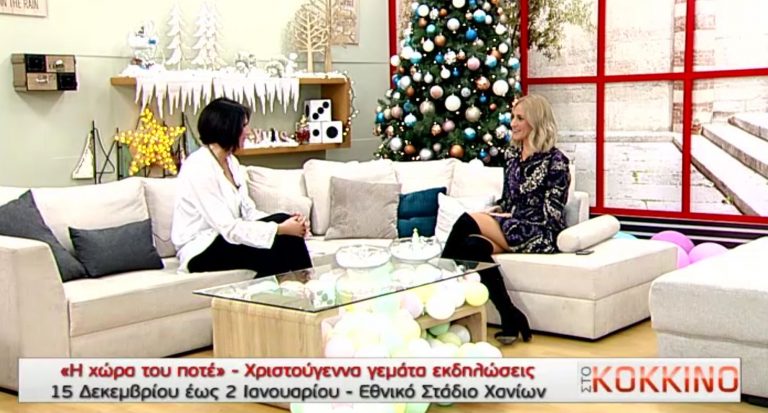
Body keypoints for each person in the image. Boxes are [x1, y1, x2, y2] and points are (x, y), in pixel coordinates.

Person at [441, 94, 571, 344]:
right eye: (513, 117)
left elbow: (553, 214)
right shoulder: (512, 155)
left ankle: (440, 287)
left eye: (520, 118)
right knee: (471, 246)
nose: (512, 123)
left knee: (466, 221)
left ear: (536, 121)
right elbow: (508, 199)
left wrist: (509, 218)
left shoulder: (556, 161)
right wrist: (499, 212)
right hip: (513, 225)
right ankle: (510, 314)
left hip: (541, 232)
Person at [171, 97, 312, 276]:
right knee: (275, 246)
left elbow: (249, 213)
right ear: (227, 128)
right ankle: (300, 286)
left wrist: (289, 223)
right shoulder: (199, 167)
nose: (249, 131)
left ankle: (301, 285)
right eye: (244, 126)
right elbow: (228, 227)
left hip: (226, 238)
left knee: (283, 222)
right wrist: (280, 229)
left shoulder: (231, 162)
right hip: (201, 248)